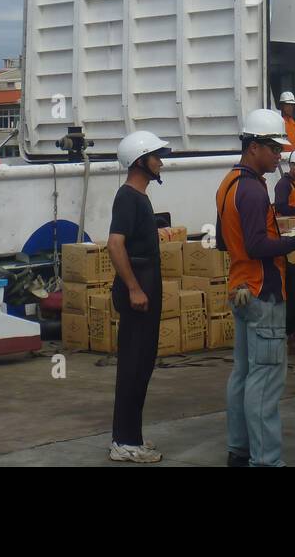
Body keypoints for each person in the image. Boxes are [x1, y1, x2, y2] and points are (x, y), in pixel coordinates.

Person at [218, 108, 295, 467]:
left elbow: (227, 242)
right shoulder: (253, 191)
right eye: (274, 149)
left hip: (241, 286)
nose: (279, 156)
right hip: (263, 291)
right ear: (254, 146)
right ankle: (267, 460)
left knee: (244, 375)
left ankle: (239, 450)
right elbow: (258, 245)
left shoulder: (229, 183)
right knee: (266, 382)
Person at [106, 130, 173, 462]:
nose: (161, 162)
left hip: (147, 281)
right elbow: (115, 244)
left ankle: (132, 436)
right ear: (140, 161)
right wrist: (134, 287)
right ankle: (124, 442)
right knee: (133, 365)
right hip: (138, 284)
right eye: (156, 156)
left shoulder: (140, 197)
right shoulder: (128, 197)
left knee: (143, 362)